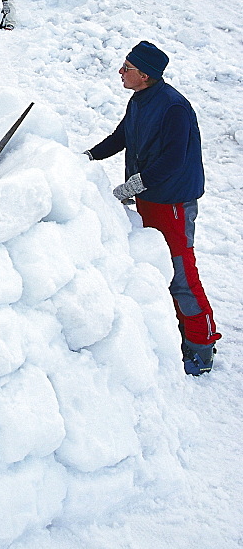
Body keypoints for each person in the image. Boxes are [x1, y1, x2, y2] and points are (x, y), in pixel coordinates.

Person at [85, 40, 220, 376]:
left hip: (172, 200)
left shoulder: (173, 107)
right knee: (158, 264)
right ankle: (177, 329)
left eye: (127, 68)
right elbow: (121, 137)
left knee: (181, 272)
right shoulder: (141, 100)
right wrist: (86, 158)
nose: (120, 71)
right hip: (150, 196)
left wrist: (135, 184)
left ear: (144, 74)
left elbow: (173, 160)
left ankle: (202, 346)